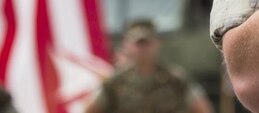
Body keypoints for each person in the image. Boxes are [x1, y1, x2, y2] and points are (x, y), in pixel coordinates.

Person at [85, 19, 213, 113]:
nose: (143, 49)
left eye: (147, 43)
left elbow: (202, 108)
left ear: (157, 43)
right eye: (138, 44)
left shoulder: (176, 80)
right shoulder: (114, 83)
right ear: (127, 45)